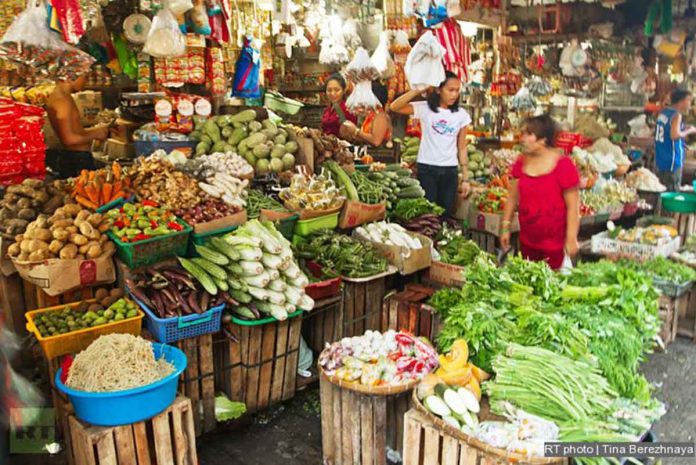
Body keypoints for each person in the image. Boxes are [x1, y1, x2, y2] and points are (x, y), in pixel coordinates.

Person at [500, 115, 580, 270]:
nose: (522, 138)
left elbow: (573, 207)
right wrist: (505, 227)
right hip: (528, 242)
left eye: (528, 134)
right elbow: (512, 198)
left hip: (555, 246)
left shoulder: (563, 166)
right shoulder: (521, 162)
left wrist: (571, 238)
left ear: (543, 140)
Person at [390, 71, 471, 215]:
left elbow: (462, 147)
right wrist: (418, 89)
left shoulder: (462, 115)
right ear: (439, 89)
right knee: (427, 213)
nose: (454, 94)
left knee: (445, 214)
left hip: (450, 171)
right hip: (427, 169)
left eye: (457, 90)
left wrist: (465, 178)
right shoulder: (425, 108)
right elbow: (394, 107)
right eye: (450, 90)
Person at [45, 75, 109, 179]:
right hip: (77, 160)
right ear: (71, 77)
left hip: (74, 157)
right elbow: (69, 139)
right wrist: (95, 134)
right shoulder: (63, 101)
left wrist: (97, 130)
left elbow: (74, 131)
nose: (85, 80)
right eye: (84, 76)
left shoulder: (60, 96)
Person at [654, 88, 696, 191]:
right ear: (681, 101)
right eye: (689, 100)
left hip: (661, 159)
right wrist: (690, 130)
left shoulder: (664, 113)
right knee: (671, 192)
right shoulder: (677, 115)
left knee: (662, 191)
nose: (690, 104)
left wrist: (681, 142)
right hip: (672, 162)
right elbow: (674, 135)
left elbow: (668, 131)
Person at [344, 81, 393, 147]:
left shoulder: (380, 116)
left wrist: (356, 130)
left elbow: (376, 141)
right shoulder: (371, 114)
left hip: (379, 156)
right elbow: (366, 138)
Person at [320, 74, 358, 138]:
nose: (332, 93)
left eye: (337, 90)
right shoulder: (328, 109)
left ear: (343, 91)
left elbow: (351, 134)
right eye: (329, 90)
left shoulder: (347, 108)